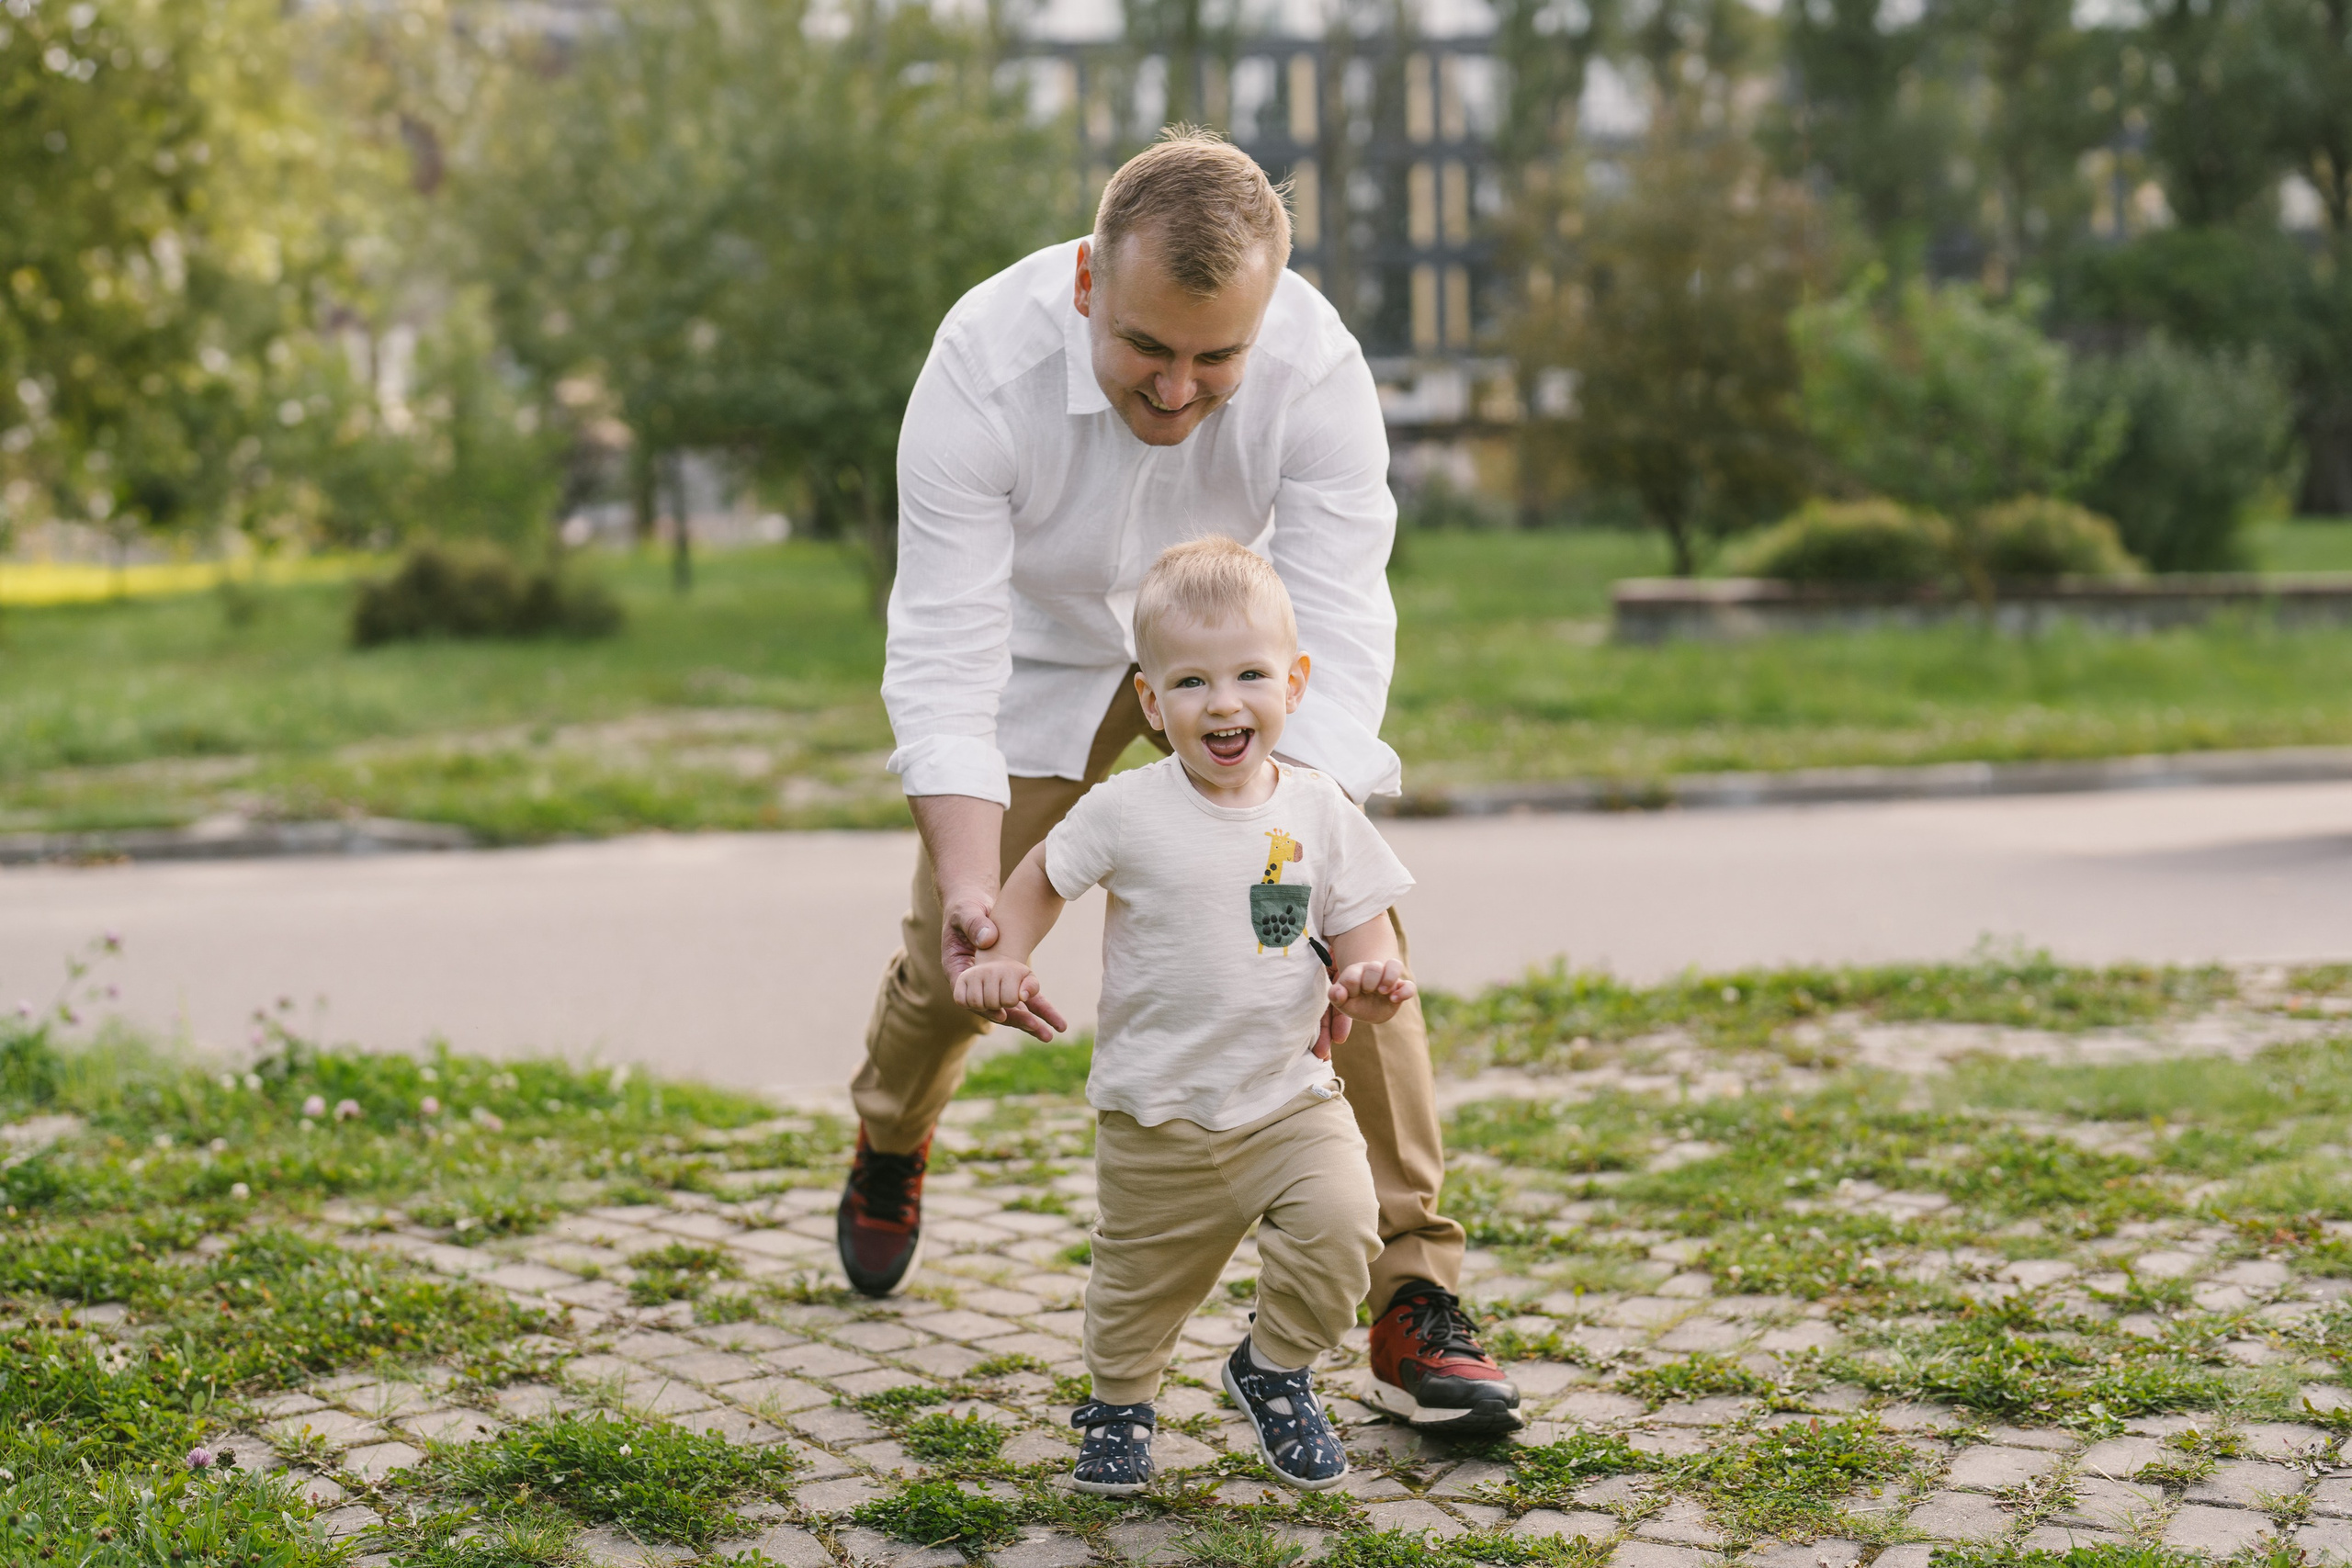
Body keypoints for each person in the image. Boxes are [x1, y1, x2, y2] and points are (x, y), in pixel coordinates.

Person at [840, 126, 1521, 1435]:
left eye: (1218, 359)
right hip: (1037, 655)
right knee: (950, 945)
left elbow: (1341, 615)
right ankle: (889, 1129)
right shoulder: (985, 363)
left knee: (1349, 925)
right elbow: (942, 648)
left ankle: (1413, 1285)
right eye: (1149, 350)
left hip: (1222, 654)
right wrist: (983, 885)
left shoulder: (1317, 368)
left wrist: (1304, 859)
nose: (1178, 388)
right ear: (1092, 279)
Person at [952, 538, 1412, 1492]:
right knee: (1135, 1291)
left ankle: (1273, 1369)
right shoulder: (1127, 810)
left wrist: (1370, 980)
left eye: (1250, 675)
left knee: (1342, 1231)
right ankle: (1119, 1403)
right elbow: (1041, 876)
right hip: (1155, 1110)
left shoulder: (1321, 812)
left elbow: (1367, 931)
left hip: (1288, 1098)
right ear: (1152, 705)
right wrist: (1004, 955)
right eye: (1192, 682)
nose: (1225, 702)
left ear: (1295, 682)